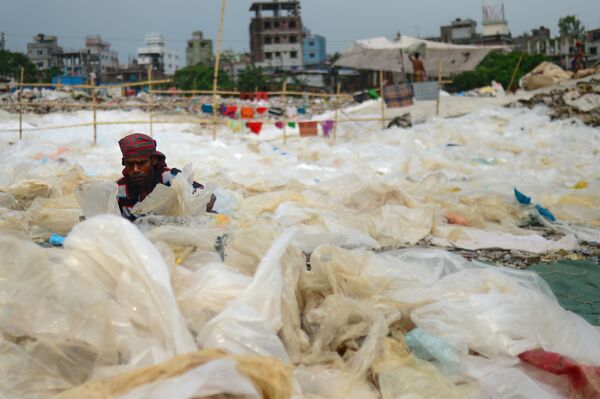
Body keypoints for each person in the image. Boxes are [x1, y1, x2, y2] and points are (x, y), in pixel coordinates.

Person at [116, 133, 215, 220]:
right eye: (130, 164)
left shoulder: (171, 178)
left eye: (141, 163)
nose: (135, 170)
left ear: (153, 160)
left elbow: (209, 197)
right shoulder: (118, 191)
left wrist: (189, 210)